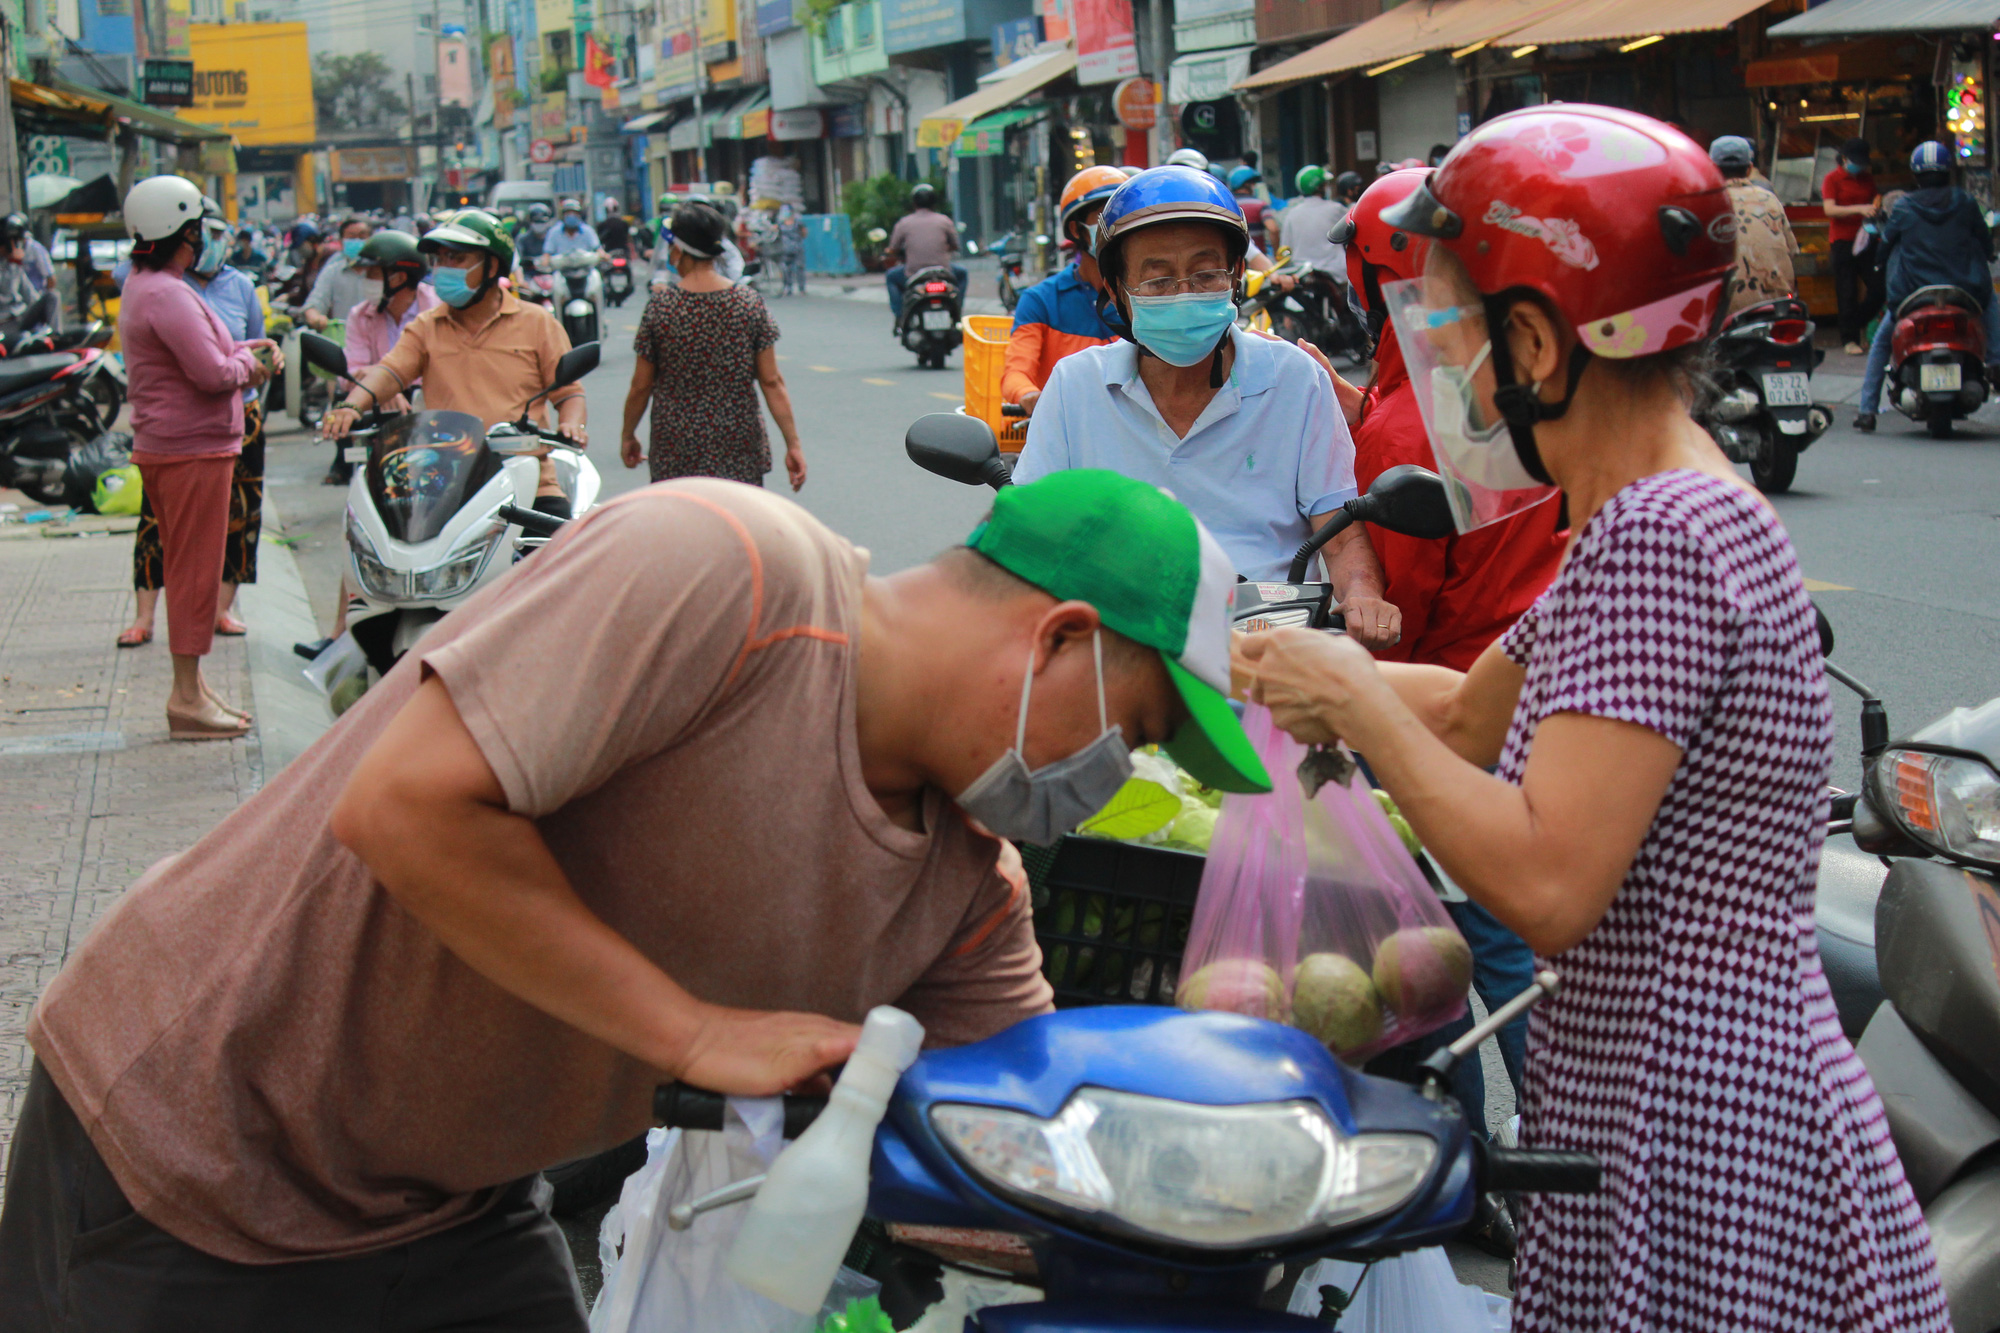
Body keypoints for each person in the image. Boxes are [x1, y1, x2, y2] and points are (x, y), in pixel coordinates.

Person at [0, 464, 1271, 1329]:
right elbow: (404, 809)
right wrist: (693, 1033)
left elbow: (1019, 1134)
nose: (1115, 781)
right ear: (1054, 637)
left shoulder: (966, 891)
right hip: (193, 1152)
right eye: (1136, 732)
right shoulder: (727, 570)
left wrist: (1233, 1183)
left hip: (453, 1207)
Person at [1237, 104, 1950, 1333]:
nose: (1437, 351)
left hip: (1705, 1122)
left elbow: (1550, 883)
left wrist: (1350, 695)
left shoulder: (1661, 540)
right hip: (1656, 1089)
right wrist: (1250, 666)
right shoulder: (1641, 509)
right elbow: (1464, 716)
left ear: (1532, 339)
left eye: (1449, 316)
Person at [1322, 168, 1561, 1233]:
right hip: (1525, 681)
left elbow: (1403, 614)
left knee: (1427, 942)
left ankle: (1455, 1171)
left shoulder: (1414, 424)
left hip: (1445, 698)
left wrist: (1343, 658)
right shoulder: (1517, 389)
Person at [1011, 166, 1399, 648]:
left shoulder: (1295, 379)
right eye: (1157, 281)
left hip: (1266, 646)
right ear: (1116, 290)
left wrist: (1362, 594)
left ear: (1236, 275)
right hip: (1120, 643)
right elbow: (1031, 532)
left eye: (1205, 273)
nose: (1184, 294)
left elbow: (1339, 531)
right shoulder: (1075, 385)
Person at [112, 176, 279, 739]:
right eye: (195, 232)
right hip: (190, 451)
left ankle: (196, 688)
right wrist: (251, 369)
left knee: (192, 567)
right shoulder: (165, 292)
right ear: (178, 234)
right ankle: (186, 698)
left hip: (181, 447)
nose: (201, 242)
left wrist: (244, 350)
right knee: (193, 574)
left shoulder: (150, 285)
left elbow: (210, 350)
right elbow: (210, 374)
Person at [322, 209, 584, 519]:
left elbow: (568, 392)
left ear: (492, 265)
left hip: (529, 481)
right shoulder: (426, 326)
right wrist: (352, 407)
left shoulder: (537, 322)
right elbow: (390, 372)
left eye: (456, 259)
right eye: (440, 260)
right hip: (444, 482)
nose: (444, 268)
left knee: (564, 553)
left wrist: (571, 425)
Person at [619, 202, 803, 489]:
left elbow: (641, 386)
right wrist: (793, 445)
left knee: (683, 531)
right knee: (735, 528)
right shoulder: (748, 303)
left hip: (676, 451)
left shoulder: (661, 308)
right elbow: (771, 381)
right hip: (738, 446)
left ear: (678, 250)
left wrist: (628, 434)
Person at [1857, 141, 2000, 433]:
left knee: (1883, 341)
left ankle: (1867, 411)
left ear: (1916, 174)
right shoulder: (1965, 202)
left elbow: (1886, 245)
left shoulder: (1905, 207)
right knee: (1994, 319)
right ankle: (1996, 364)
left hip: (1914, 293)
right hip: (1966, 291)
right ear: (1948, 172)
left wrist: (1880, 261)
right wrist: (1989, 252)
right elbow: (1985, 241)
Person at [1003, 166, 1122, 417]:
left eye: (1122, 217)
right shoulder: (1040, 300)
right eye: (1104, 219)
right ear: (1077, 231)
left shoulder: (1145, 294)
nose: (1115, 228)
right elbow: (1016, 373)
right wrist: (1029, 395)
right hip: (1064, 425)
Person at [1710, 135, 1799, 315]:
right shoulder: (1769, 199)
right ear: (1750, 169)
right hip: (1776, 303)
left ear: (1711, 168)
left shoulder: (1706, 203)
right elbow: (1792, 251)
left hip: (1725, 310)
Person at [1822, 137, 1884, 354]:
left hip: (1867, 239)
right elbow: (1829, 210)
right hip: (1842, 241)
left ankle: (1857, 323)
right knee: (1846, 290)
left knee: (1878, 287)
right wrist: (1859, 209)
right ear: (1845, 159)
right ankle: (1849, 339)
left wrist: (1875, 206)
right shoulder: (1832, 179)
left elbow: (1875, 198)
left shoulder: (1867, 178)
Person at [883, 183, 965, 327]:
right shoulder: (944, 221)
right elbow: (955, 245)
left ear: (914, 203)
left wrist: (889, 252)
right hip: (943, 273)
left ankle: (899, 315)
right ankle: (958, 310)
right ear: (934, 202)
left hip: (913, 273)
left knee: (891, 277)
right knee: (962, 274)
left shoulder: (904, 223)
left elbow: (893, 249)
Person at [300, 215, 375, 330]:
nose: (357, 241)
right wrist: (315, 318)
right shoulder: (333, 271)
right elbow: (315, 302)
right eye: (352, 237)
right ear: (341, 241)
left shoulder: (381, 271)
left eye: (362, 236)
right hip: (345, 340)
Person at [0, 214, 58, 339]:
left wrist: (41, 308)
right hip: (5, 323)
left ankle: (55, 337)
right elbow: (5, 292)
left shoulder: (15, 266)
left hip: (21, 317)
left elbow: (31, 297)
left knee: (52, 296)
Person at [773, 202, 807, 295]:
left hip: (797, 248)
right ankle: (788, 287)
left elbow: (804, 233)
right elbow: (774, 233)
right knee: (786, 269)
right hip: (785, 249)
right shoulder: (780, 224)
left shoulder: (798, 223)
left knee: (799, 268)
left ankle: (802, 288)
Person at [515, 201, 554, 269]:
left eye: (542, 222)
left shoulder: (553, 237)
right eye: (536, 221)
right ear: (530, 221)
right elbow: (519, 260)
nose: (539, 224)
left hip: (551, 273)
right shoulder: (522, 239)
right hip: (529, 274)